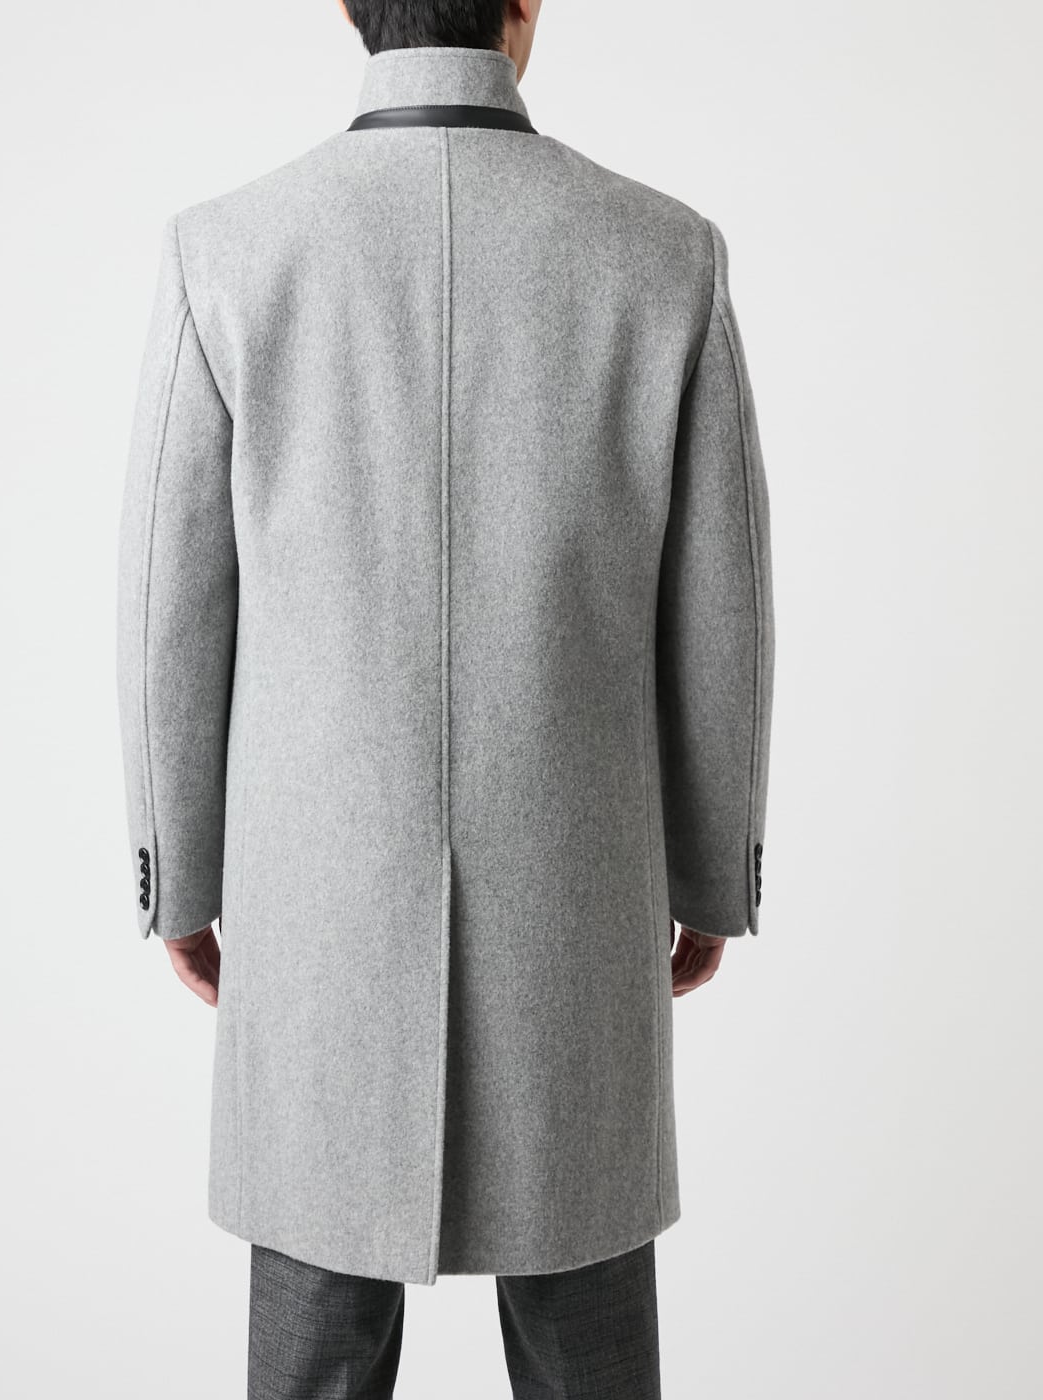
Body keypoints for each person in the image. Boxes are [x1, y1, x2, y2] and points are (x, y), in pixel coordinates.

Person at [114, 0, 776, 1394]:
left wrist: (182, 878)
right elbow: (722, 605)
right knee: (589, 1338)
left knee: (313, 1335)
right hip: (577, 907)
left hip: (317, 913)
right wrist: (712, 875)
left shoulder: (230, 250)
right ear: (524, 4)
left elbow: (172, 604)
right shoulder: (662, 254)